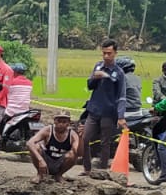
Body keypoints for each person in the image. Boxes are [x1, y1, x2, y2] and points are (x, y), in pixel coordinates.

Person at [81, 40, 126, 176]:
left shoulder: (119, 73)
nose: (106, 56)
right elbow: (89, 86)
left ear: (115, 54)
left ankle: (102, 170)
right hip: (94, 109)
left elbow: (122, 96)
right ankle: (87, 169)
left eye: (109, 53)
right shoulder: (98, 66)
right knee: (85, 138)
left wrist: (121, 116)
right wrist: (96, 77)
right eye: (104, 53)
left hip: (108, 111)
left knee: (105, 142)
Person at [28, 111, 79, 183]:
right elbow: (30, 143)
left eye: (64, 122)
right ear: (54, 121)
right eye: (59, 121)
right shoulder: (48, 130)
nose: (61, 124)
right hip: (46, 159)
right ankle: (40, 174)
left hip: (60, 161)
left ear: (68, 123)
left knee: (73, 155)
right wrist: (40, 160)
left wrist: (81, 138)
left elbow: (77, 151)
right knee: (36, 146)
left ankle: (59, 175)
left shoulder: (72, 135)